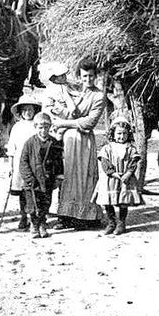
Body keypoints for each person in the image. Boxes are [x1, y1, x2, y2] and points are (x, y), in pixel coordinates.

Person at [50, 59, 106, 229]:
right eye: (84, 76)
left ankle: (86, 217)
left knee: (84, 177)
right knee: (68, 176)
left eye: (90, 76)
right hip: (67, 139)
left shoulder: (98, 95)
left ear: (95, 76)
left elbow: (89, 122)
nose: (87, 80)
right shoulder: (72, 89)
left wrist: (63, 123)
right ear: (79, 76)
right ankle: (65, 216)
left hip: (84, 141)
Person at [94, 113, 143, 236]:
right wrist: (113, 173)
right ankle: (111, 223)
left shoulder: (131, 149)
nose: (121, 136)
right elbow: (104, 163)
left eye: (124, 133)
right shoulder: (107, 148)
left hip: (125, 179)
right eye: (119, 133)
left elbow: (133, 162)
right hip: (110, 178)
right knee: (108, 201)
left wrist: (128, 174)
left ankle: (121, 223)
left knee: (123, 201)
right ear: (113, 134)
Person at [19, 112, 65, 239]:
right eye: (40, 127)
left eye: (46, 127)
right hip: (33, 180)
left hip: (47, 179)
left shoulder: (54, 142)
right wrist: (28, 178)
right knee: (33, 204)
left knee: (46, 203)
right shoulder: (30, 143)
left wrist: (59, 176)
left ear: (49, 127)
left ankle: (42, 224)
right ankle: (34, 224)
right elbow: (23, 161)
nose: (43, 130)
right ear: (35, 127)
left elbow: (59, 161)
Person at [7, 95, 44, 232]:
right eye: (25, 110)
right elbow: (11, 148)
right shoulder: (17, 127)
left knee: (35, 190)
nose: (28, 112)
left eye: (30, 109)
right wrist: (11, 166)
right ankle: (24, 217)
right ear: (20, 112)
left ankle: (37, 218)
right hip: (19, 162)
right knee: (23, 192)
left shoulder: (37, 126)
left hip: (35, 162)